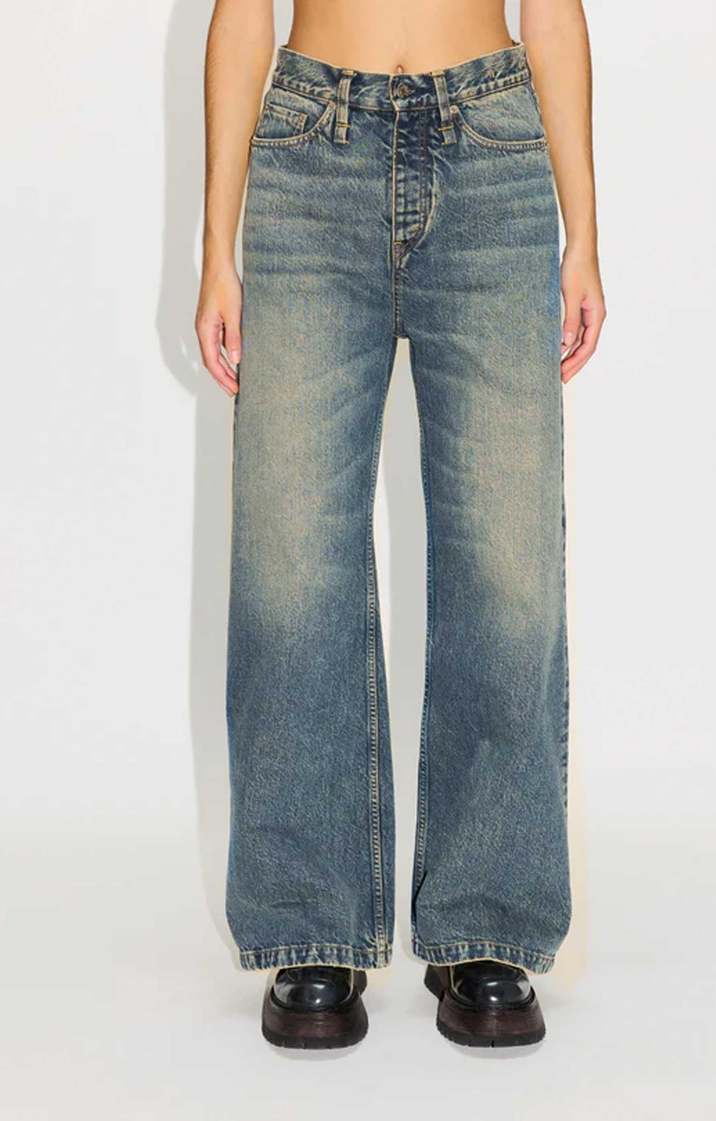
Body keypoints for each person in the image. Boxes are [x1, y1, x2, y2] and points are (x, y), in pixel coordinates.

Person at [195, 0, 605, 1050]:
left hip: (493, 153)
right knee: (290, 559)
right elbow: (240, 14)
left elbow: (553, 10)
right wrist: (215, 247)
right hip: (308, 157)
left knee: (506, 561)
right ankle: (311, 923)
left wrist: (583, 237)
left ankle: (486, 920)